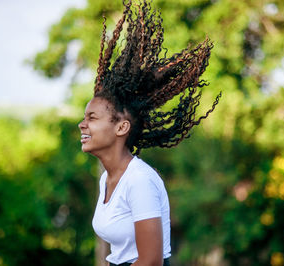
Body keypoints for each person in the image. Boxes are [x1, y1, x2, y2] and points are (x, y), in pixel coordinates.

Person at [78, 0, 221, 265]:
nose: (81, 124)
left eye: (92, 117)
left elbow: (151, 261)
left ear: (121, 127)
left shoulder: (139, 180)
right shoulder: (108, 179)